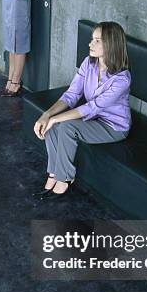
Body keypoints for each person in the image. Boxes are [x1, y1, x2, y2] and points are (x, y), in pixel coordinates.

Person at [33, 22, 131, 198]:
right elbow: (71, 94)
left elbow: (92, 107)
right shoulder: (89, 63)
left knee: (66, 126)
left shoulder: (122, 79)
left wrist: (56, 118)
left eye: (97, 41)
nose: (90, 44)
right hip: (93, 119)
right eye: (92, 39)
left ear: (111, 44)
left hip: (113, 127)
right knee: (54, 123)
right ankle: (54, 173)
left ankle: (64, 179)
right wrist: (47, 115)